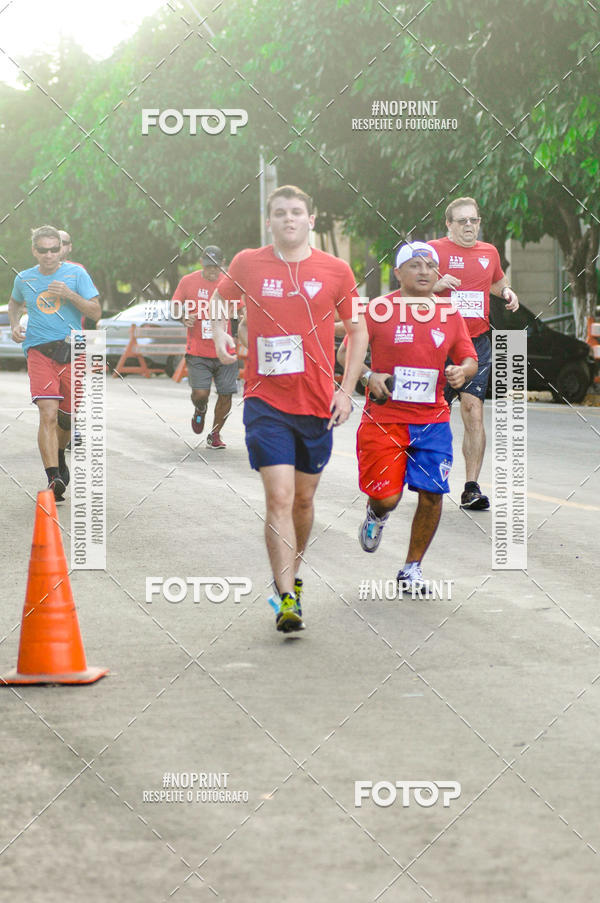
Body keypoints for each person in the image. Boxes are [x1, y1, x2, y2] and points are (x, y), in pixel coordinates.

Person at [210, 185, 368, 632]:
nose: (288, 219)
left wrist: (346, 390)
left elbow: (358, 331)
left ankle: (293, 580)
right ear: (269, 221)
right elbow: (220, 299)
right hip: (265, 400)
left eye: (297, 212)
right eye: (279, 213)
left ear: (311, 219)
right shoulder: (247, 262)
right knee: (278, 496)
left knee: (302, 500)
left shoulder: (336, 270)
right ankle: (284, 599)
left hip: (317, 401)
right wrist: (221, 332)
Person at [355, 242, 477, 591]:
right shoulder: (378, 310)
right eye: (415, 265)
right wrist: (368, 377)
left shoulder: (450, 314)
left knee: (432, 493)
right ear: (397, 273)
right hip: (384, 418)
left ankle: (412, 568)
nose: (424, 271)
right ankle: (376, 514)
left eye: (430, 265)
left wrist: (462, 372)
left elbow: (469, 357)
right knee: (387, 498)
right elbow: (348, 352)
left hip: (432, 420)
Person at [429, 198, 519, 510]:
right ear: (449, 225)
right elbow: (411, 288)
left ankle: (471, 487)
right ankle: (426, 478)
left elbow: (496, 282)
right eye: (462, 221)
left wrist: (507, 292)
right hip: (439, 342)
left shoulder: (489, 252)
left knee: (473, 410)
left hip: (476, 343)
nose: (469, 226)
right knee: (432, 411)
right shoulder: (432, 251)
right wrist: (436, 284)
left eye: (474, 220)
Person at [8, 225, 101, 500]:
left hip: (73, 351)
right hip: (39, 351)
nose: (49, 255)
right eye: (43, 250)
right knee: (47, 412)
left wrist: (69, 295)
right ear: (34, 251)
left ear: (61, 249)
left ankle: (59, 454)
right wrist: (14, 325)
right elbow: (14, 305)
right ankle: (53, 477)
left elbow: (95, 310)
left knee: (66, 417)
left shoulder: (76, 274)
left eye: (54, 249)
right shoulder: (24, 279)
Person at [171, 246, 237, 448]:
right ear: (202, 263)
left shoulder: (230, 283)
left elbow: (241, 311)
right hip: (198, 351)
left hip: (225, 351)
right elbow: (174, 305)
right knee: (201, 394)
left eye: (216, 267)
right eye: (209, 267)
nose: (213, 271)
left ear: (223, 264)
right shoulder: (188, 281)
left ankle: (215, 434)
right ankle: (200, 410)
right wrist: (183, 317)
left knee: (226, 394)